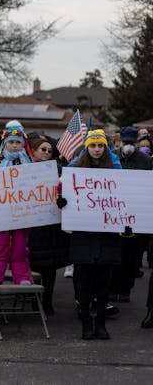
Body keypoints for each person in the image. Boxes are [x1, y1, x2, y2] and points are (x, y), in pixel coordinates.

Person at [59, 129, 122, 340]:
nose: (96, 149)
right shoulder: (74, 171)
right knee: (84, 282)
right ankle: (86, 323)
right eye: (93, 145)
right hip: (83, 234)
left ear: (105, 147)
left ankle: (101, 324)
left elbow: (124, 200)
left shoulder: (116, 171)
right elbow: (62, 194)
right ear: (87, 147)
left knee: (104, 283)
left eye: (100, 145)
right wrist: (62, 201)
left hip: (107, 235)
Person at [0, 121, 35, 286]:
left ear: (22, 144)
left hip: (21, 210)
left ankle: (22, 276)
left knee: (20, 246)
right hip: (2, 211)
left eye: (17, 142)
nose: (14, 145)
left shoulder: (27, 162)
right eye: (11, 142)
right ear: (5, 143)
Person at [27, 136, 70, 315]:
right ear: (34, 150)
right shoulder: (23, 170)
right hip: (32, 226)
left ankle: (47, 301)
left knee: (50, 267)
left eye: (49, 151)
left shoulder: (59, 171)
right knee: (35, 264)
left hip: (51, 226)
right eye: (42, 149)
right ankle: (34, 299)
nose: (46, 153)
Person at [110, 127, 152, 303]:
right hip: (114, 213)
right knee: (114, 254)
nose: (127, 145)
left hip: (135, 215)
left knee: (131, 255)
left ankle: (126, 289)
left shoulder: (145, 160)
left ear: (135, 141)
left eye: (130, 142)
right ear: (120, 141)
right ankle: (113, 288)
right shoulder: (112, 157)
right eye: (124, 142)